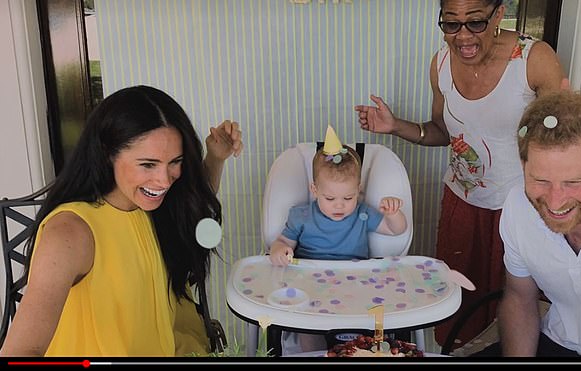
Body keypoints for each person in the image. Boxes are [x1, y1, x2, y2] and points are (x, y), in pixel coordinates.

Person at [353, 0, 565, 347]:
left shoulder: (534, 60)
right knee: (459, 309)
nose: (462, 35)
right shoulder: (440, 65)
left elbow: (559, 138)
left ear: (498, 14)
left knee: (520, 308)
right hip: (462, 205)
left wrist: (574, 121)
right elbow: (442, 131)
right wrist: (395, 126)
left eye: (475, 22)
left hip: (523, 209)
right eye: (451, 24)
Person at [0, 85, 243, 356]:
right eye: (148, 164)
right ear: (108, 153)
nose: (164, 180)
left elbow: (193, 201)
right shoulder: (70, 232)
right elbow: (19, 353)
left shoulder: (148, 205)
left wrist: (216, 158)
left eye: (175, 161)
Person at [493, 90, 581, 357]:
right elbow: (520, 298)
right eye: (541, 180)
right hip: (558, 342)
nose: (555, 202)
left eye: (573, 182)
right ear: (523, 165)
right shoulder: (518, 205)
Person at [268, 126, 407, 353]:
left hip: (355, 284)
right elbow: (282, 242)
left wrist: (393, 214)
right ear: (314, 190)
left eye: (348, 197)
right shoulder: (301, 216)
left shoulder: (363, 214)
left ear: (358, 190)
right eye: (330, 198)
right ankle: (314, 354)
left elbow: (396, 230)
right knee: (306, 324)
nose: (340, 205)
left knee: (367, 321)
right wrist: (279, 251)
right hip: (310, 284)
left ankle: (354, 350)